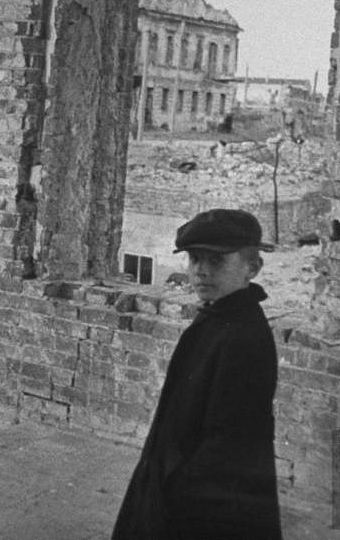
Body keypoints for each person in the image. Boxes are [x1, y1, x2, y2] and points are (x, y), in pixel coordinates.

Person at [111, 209, 281, 540]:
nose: (201, 271)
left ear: (252, 268)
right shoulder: (220, 317)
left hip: (204, 501)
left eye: (216, 261)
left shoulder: (243, 336)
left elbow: (227, 446)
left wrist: (174, 497)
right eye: (195, 259)